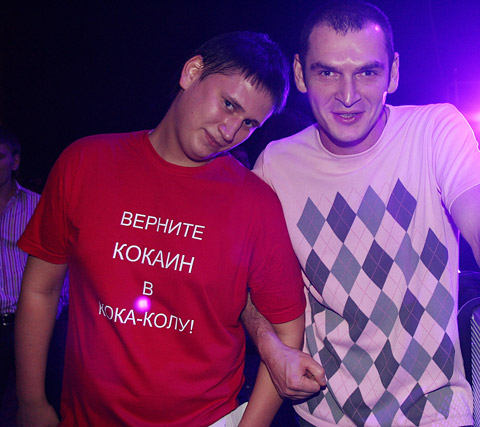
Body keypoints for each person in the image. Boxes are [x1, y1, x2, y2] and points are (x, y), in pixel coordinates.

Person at [248, 1, 480, 426]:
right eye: (328, 73)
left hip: (436, 415)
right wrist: (271, 348)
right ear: (300, 74)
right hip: (321, 416)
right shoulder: (275, 165)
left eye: (367, 72)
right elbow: (243, 281)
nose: (348, 96)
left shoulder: (435, 131)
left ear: (393, 72)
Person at [15, 31, 306, 426]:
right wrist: (30, 401)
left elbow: (288, 333)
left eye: (249, 123)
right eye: (228, 104)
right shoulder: (85, 163)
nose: (230, 131)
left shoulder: (257, 204)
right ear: (192, 72)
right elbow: (40, 289)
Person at [0, 127, 69, 418]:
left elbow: (61, 269)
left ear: (15, 161)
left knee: (41, 405)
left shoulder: (38, 205)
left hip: (31, 325)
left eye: (0, 156)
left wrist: (53, 314)